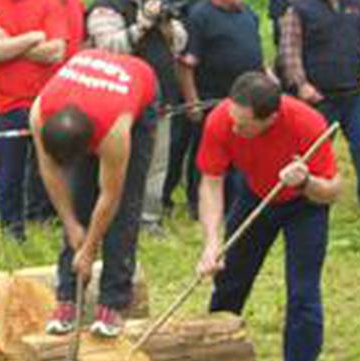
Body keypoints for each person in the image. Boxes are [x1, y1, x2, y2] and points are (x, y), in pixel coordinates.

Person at [196, 73, 341, 361]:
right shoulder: (222, 119)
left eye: (244, 125)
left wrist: (306, 182)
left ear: (270, 119)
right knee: (229, 282)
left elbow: (333, 190)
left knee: (303, 296)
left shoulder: (307, 123)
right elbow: (211, 183)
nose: (234, 129)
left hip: (305, 206)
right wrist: (212, 243)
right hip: (256, 195)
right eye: (233, 119)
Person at [30, 49, 157, 338]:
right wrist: (72, 225)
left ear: (91, 147)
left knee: (124, 208)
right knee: (78, 200)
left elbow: (111, 196)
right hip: (92, 92)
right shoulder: (40, 113)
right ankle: (67, 297)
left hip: (138, 85)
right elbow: (49, 173)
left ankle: (113, 301)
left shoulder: (115, 132)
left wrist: (89, 248)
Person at [86, 0, 187, 233]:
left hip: (160, 96)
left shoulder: (156, 4)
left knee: (157, 162)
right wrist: (141, 26)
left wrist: (166, 25)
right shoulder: (106, 7)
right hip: (118, 100)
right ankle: (111, 217)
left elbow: (181, 43)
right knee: (116, 162)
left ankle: (148, 218)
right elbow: (108, 47)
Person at [0, 0, 68, 241]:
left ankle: (48, 226)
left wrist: (10, 43)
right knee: (8, 177)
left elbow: (56, 53)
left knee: (50, 170)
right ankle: (12, 233)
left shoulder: (49, 5)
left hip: (45, 104)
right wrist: (33, 37)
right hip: (4, 108)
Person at [279, 0, 360, 211]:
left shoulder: (356, 6)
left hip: (357, 93)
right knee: (314, 150)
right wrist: (301, 84)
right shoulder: (298, 9)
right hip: (319, 97)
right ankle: (310, 197)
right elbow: (289, 52)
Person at [172, 0, 264, 218]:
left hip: (243, 100)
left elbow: (257, 55)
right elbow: (186, 64)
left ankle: (232, 201)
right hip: (209, 99)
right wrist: (192, 101)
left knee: (239, 152)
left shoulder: (249, 15)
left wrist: (269, 80)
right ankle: (198, 203)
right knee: (206, 154)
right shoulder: (200, 15)